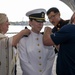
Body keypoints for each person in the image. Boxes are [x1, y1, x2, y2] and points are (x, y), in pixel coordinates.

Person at [18, 8, 55, 75]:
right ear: (30, 22)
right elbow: (24, 62)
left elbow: (51, 57)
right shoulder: (23, 40)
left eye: (42, 22)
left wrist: (45, 73)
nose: (40, 24)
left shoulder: (46, 39)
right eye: (38, 21)